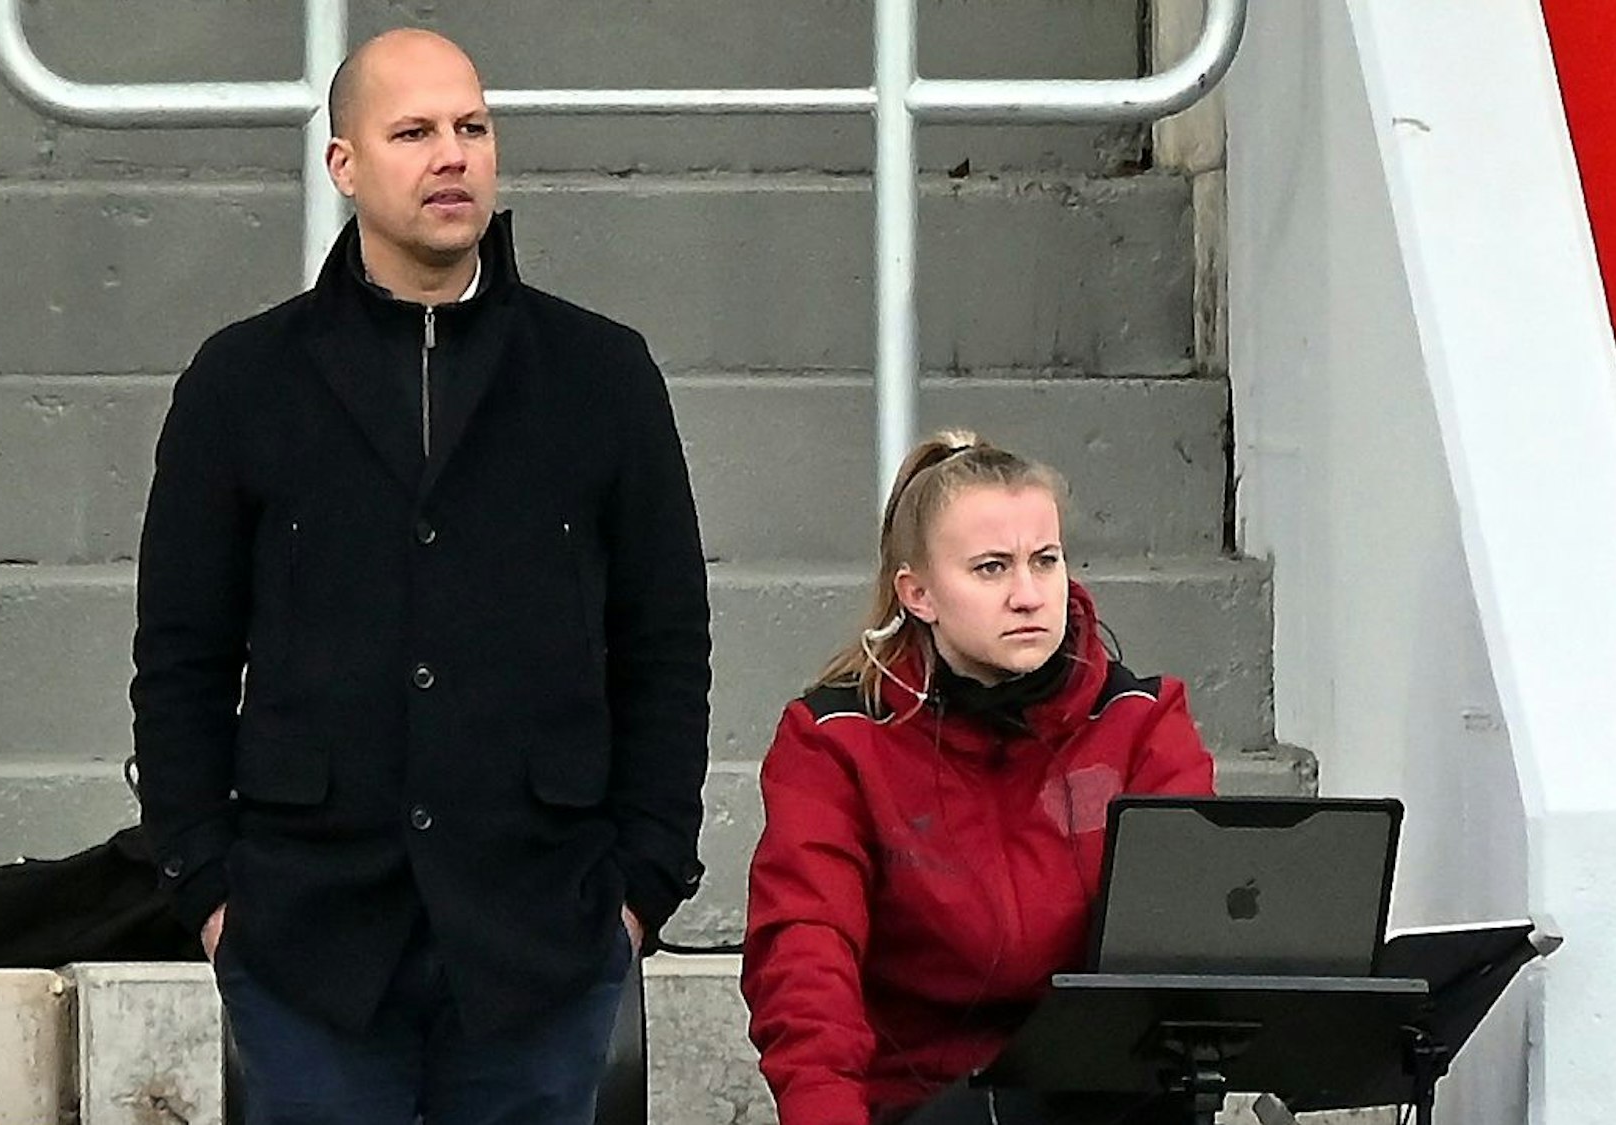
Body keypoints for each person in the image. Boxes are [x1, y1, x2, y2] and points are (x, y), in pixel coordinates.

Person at [129, 28, 712, 1125]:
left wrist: (642, 885)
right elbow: (181, 661)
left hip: (543, 940)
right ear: (343, 165)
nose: (452, 155)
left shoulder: (601, 374)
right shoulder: (241, 381)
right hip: (307, 944)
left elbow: (665, 646)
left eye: (471, 127)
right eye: (412, 132)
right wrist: (207, 889)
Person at [740, 432, 1216, 1125]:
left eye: (1045, 561)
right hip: (919, 1101)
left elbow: (1189, 957)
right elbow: (806, 956)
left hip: (1099, 1094)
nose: (1028, 595)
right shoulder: (836, 739)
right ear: (919, 594)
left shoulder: (1140, 720)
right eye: (992, 569)